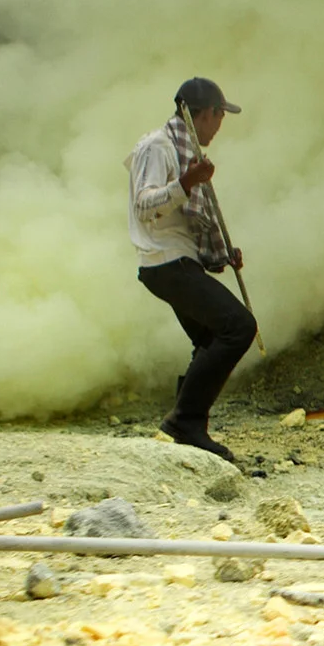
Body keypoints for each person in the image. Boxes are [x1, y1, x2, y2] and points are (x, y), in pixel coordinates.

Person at [128, 78, 256, 463]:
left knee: (210, 336)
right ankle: (185, 422)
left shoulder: (181, 149)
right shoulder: (159, 146)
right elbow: (144, 205)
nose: (219, 124)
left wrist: (221, 254)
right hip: (165, 261)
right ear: (198, 113)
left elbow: (181, 219)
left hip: (174, 259)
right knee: (239, 327)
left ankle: (182, 429)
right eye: (218, 115)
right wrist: (186, 182)